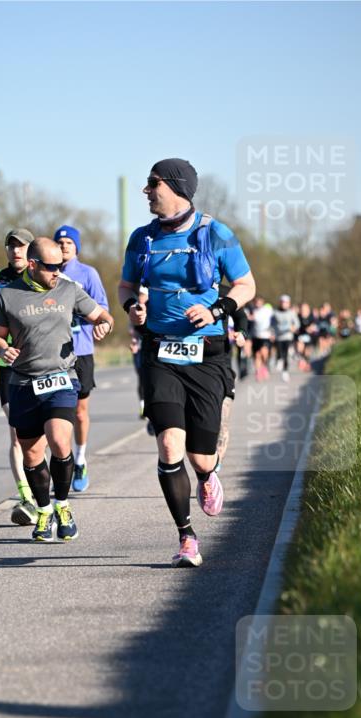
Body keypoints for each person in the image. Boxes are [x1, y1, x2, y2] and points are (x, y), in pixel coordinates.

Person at [118, 158, 255, 568]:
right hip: (160, 350)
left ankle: (208, 474)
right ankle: (186, 537)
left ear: (175, 186)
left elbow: (246, 285)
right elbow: (127, 283)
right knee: (167, 445)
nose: (146, 191)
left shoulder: (217, 233)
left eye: (152, 183)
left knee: (201, 455)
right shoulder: (141, 238)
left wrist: (218, 309)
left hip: (206, 352)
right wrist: (131, 307)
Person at [0, 238, 114, 542]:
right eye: (52, 267)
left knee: (59, 441)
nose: (58, 271)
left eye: (61, 265)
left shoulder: (69, 289)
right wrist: (2, 349)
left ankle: (63, 505)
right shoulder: (7, 295)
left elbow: (102, 314)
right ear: (32, 265)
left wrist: (104, 325)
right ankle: (44, 511)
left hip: (61, 378)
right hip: (23, 383)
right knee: (32, 453)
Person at [0, 228, 38, 526]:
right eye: (11, 246)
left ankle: (44, 490)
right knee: (16, 434)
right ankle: (26, 497)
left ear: (31, 250)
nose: (16, 252)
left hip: (42, 363)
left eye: (21, 247)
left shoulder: (42, 275)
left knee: (44, 434)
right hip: (9, 367)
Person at [53, 225, 109, 493]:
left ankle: (81, 459)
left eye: (68, 242)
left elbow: (103, 308)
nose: (64, 246)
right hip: (52, 354)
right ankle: (60, 461)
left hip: (81, 351)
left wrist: (99, 323)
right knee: (53, 412)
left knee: (79, 411)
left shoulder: (88, 274)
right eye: (60, 242)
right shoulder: (46, 274)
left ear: (76, 247)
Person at [271, 294, 298, 382]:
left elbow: (297, 324)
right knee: (279, 351)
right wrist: (273, 332)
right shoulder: (275, 313)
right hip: (279, 336)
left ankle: (285, 371)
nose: (284, 304)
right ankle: (279, 359)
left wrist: (294, 328)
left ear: (289, 304)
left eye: (286, 303)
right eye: (282, 302)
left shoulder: (292, 313)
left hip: (288, 336)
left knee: (285, 354)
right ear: (280, 303)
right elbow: (272, 324)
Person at [250, 296, 274, 380]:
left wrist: (273, 332)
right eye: (256, 302)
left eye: (259, 302)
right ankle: (258, 371)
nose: (258, 303)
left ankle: (264, 366)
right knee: (257, 355)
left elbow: (273, 320)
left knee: (264, 353)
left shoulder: (267, 310)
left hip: (266, 335)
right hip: (256, 335)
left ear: (262, 302)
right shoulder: (253, 310)